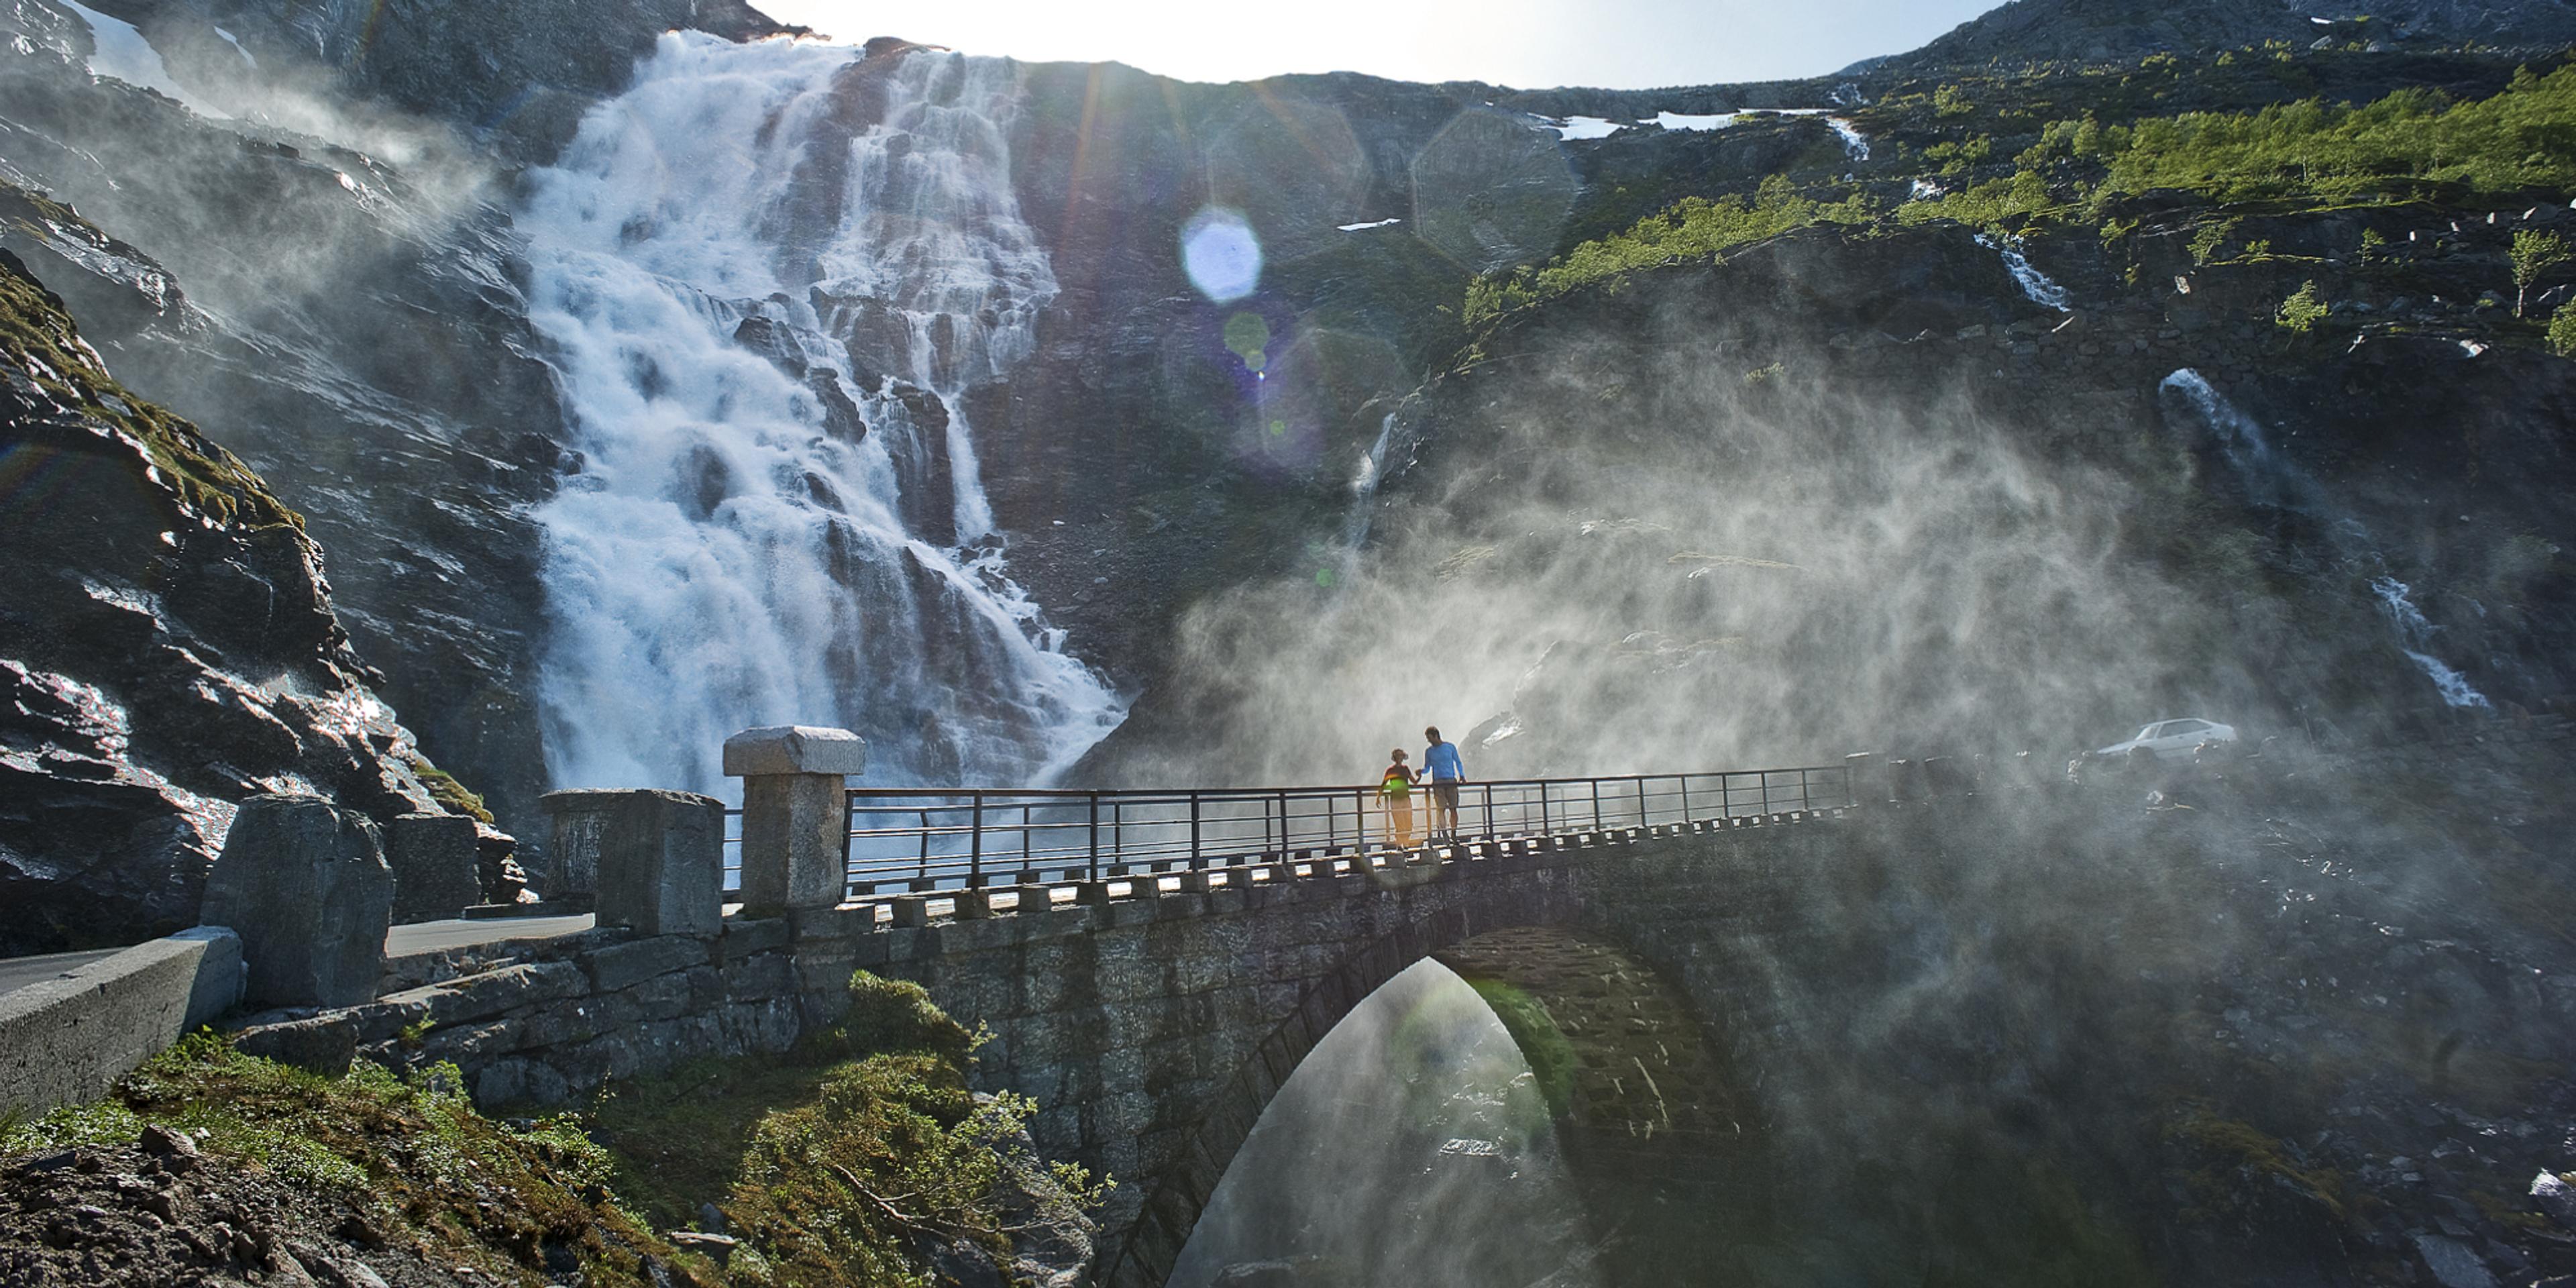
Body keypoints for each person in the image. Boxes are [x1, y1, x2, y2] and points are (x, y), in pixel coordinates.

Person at [1421, 726, 1465, 841]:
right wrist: (1421, 772)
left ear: (1436, 736)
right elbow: (1427, 767)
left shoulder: (1450, 747)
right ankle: (1445, 833)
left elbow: (1458, 762)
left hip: (1450, 780)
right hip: (1438, 782)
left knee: (1453, 808)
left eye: (1429, 738)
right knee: (1441, 809)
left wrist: (1462, 775)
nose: (1429, 741)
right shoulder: (1429, 751)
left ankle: (1453, 833)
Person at [1377, 749, 1420, 851]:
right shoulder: (1390, 770)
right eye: (1398, 756)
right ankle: (1401, 846)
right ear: (1395, 758)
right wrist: (1378, 797)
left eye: (1401, 756)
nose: (1399, 758)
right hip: (1395, 799)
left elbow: (1414, 782)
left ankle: (1405, 845)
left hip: (1405, 798)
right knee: (1399, 823)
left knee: (1408, 823)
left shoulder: (1405, 769)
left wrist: (1420, 777)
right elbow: (1383, 784)